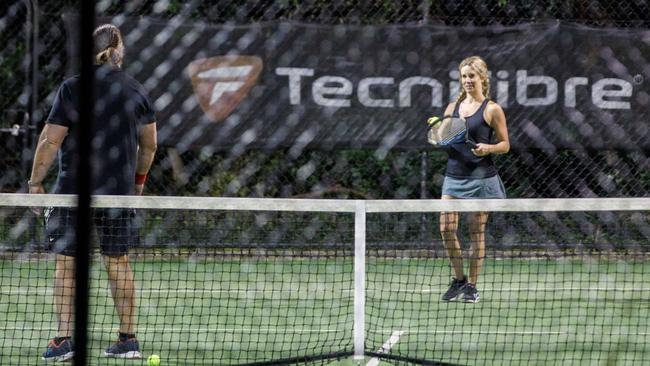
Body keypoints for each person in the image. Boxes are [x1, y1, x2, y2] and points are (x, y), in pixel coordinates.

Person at [28, 24, 157, 362]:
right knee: (118, 262)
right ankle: (128, 340)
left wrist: (34, 183)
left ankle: (62, 341)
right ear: (119, 50)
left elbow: (50, 140)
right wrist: (138, 184)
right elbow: (150, 145)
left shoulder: (72, 88)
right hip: (117, 193)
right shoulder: (136, 90)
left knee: (67, 264)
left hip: (73, 191)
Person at [438, 56, 509, 303]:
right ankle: (458, 279)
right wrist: (443, 138)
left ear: (482, 78)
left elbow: (505, 145)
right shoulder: (451, 108)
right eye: (464, 76)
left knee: (476, 231)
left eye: (471, 76)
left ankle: (472, 286)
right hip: (454, 177)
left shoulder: (492, 109)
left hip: (481, 178)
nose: (467, 80)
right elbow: (447, 139)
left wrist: (487, 149)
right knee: (446, 227)